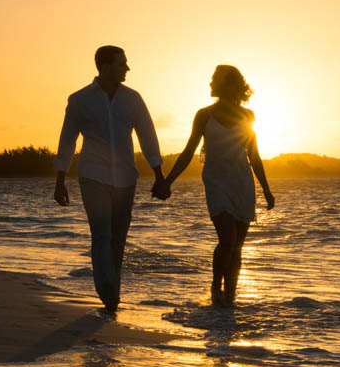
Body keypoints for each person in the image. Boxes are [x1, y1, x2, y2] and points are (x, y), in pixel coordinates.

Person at [52, 45, 170, 313]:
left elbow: (148, 136)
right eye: (121, 63)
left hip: (126, 177)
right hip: (93, 175)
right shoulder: (79, 100)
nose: (127, 68)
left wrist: (159, 174)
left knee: (118, 238)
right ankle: (106, 290)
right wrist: (60, 181)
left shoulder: (133, 99)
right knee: (101, 233)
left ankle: (113, 291)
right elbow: (67, 140)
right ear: (105, 67)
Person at [164, 65, 274, 308]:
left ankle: (230, 298)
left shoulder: (248, 116)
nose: (211, 83)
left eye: (215, 79)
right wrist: (167, 181)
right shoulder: (204, 115)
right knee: (227, 239)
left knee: (238, 246)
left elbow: (254, 155)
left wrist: (266, 189)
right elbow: (188, 151)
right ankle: (216, 290)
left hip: (242, 183)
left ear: (229, 84)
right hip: (216, 182)